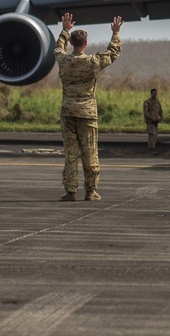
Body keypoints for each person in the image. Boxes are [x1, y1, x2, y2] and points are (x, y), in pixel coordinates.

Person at [55, 12, 122, 201]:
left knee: (70, 154)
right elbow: (113, 53)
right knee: (90, 152)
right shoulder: (93, 62)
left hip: (68, 112)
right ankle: (91, 191)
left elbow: (58, 48)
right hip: (87, 113)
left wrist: (65, 30)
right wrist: (115, 33)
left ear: (71, 43)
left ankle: (70, 191)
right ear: (85, 44)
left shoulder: (64, 60)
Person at [143, 88, 164, 154]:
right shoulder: (147, 102)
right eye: (153, 93)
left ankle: (153, 148)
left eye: (155, 93)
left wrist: (161, 117)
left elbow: (160, 110)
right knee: (151, 134)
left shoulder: (157, 102)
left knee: (155, 135)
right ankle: (150, 149)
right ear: (151, 94)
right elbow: (146, 112)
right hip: (150, 121)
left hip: (156, 121)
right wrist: (151, 118)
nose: (154, 95)